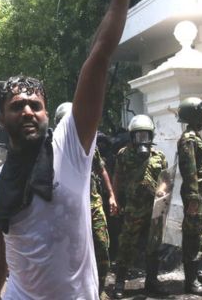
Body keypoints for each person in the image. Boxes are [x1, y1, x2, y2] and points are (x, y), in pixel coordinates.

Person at [0, 0, 151, 299]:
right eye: (16, 106)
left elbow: (99, 56)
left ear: (47, 112)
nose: (27, 111)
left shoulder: (70, 147)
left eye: (35, 105)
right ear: (1, 118)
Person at [55, 102, 119, 295]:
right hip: (69, 210)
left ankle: (98, 291)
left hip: (93, 205)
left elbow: (102, 169)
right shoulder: (53, 149)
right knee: (69, 255)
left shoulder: (89, 145)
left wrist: (111, 196)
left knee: (102, 250)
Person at [112, 114, 168, 298]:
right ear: (132, 136)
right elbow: (117, 177)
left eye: (145, 135)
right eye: (138, 136)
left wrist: (162, 191)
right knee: (126, 245)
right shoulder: (124, 154)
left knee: (153, 246)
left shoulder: (159, 157)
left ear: (151, 136)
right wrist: (115, 198)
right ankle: (120, 282)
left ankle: (152, 281)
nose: (142, 140)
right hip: (133, 209)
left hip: (154, 211)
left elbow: (166, 180)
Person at [177, 97, 202, 297]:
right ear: (193, 116)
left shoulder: (194, 136)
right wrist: (193, 197)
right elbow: (190, 170)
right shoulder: (189, 139)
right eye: (201, 114)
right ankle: (190, 282)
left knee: (198, 233)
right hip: (195, 194)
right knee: (192, 236)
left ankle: (197, 272)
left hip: (200, 193)